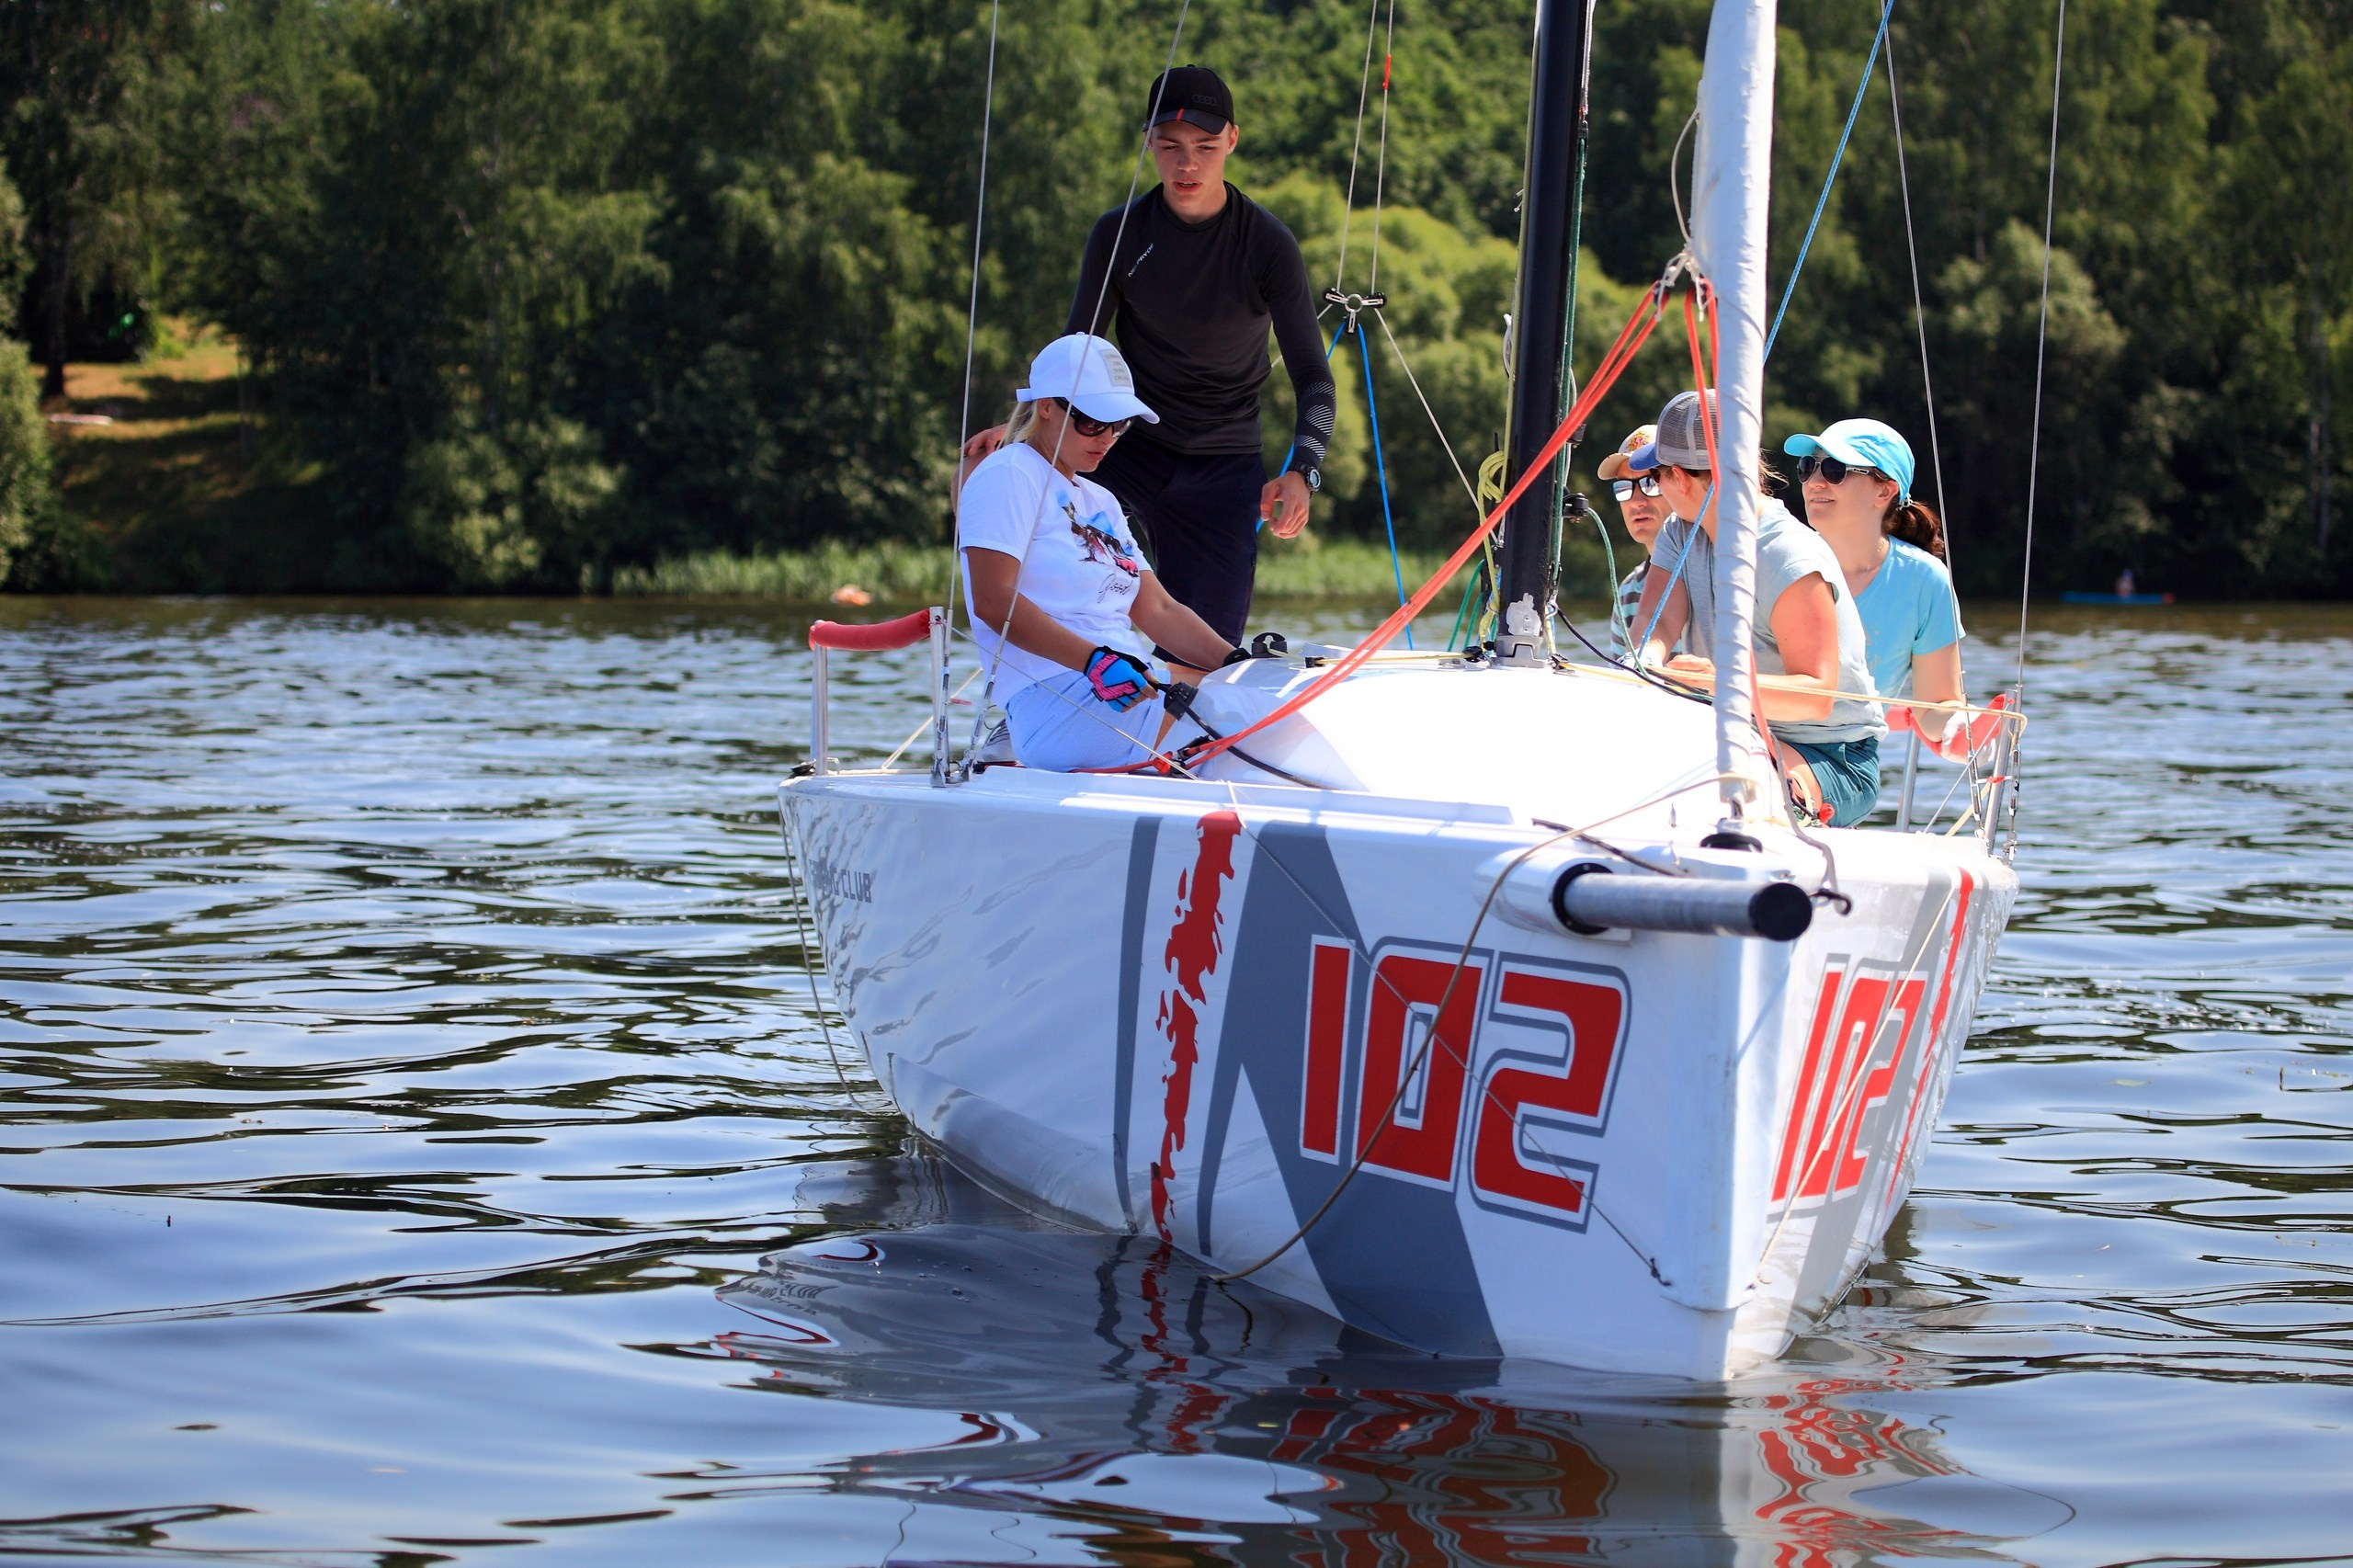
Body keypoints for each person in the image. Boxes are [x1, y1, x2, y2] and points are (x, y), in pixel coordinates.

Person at [964, 66, 1336, 657]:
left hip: (1224, 463)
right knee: (1029, 520)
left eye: (1205, 148)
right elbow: (1074, 353)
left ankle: (1176, 743)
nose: (1187, 164)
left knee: (1204, 654)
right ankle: (1027, 709)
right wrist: (1020, 430)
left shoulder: (1268, 244)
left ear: (1232, 142)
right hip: (1123, 446)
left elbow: (1315, 379)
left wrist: (1303, 470)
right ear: (1149, 143)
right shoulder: (1119, 233)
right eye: (1170, 147)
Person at [959, 335, 1251, 772]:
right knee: (1254, 722)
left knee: (1261, 698)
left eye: (1119, 425)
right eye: (1093, 422)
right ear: (1046, 406)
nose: (1108, 438)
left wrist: (1240, 664)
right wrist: (1093, 662)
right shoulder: (1009, 473)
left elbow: (1159, 610)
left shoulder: (1101, 501)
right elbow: (993, 601)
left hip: (1125, 687)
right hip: (1058, 705)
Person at [1626, 391, 1885, 827]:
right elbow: (1660, 621)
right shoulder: (1678, 531)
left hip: (1829, 756)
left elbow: (1817, 699)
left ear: (1680, 479)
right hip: (1728, 728)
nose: (1655, 492)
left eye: (1654, 478)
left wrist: (1721, 683)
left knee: (1745, 798)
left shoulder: (1787, 555)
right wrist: (1645, 662)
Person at [1781, 418, 1972, 756]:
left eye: (1835, 469)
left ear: (1884, 491)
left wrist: (1961, 729)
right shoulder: (1774, 558)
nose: (1815, 481)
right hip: (1753, 742)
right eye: (1808, 467)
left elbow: (1933, 710)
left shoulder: (1924, 580)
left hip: (1841, 757)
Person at [1599, 424, 1672, 657]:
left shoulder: (1719, 573)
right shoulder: (1628, 593)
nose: (1636, 501)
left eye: (1650, 483)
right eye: (1624, 487)